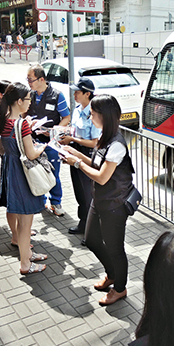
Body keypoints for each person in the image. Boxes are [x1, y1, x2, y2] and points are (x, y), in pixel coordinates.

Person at [62, 94, 135, 306]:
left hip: (115, 204)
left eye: (92, 115)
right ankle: (111, 274)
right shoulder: (104, 137)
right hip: (101, 199)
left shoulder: (117, 144)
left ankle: (119, 288)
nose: (90, 118)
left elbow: (102, 176)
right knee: (92, 239)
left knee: (115, 248)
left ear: (104, 116)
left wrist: (76, 163)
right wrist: (76, 153)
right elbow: (96, 164)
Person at [0, 82, 48, 275]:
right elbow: (32, 154)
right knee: (26, 224)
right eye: (28, 99)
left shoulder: (4, 120)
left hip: (10, 172)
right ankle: (25, 263)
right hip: (23, 176)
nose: (30, 102)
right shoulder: (22, 124)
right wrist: (42, 147)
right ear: (19, 101)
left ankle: (27, 255)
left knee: (21, 221)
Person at [26, 64, 70, 216]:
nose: (28, 83)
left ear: (41, 79)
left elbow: (66, 117)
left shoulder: (57, 95)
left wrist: (54, 130)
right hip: (32, 141)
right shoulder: (29, 95)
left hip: (51, 142)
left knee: (53, 173)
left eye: (30, 80)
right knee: (35, 173)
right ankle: (40, 201)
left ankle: (56, 202)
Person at [59, 78, 101, 240]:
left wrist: (73, 140)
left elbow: (95, 142)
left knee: (88, 194)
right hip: (74, 152)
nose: (74, 94)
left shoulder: (94, 113)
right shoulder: (77, 110)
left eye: (78, 92)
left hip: (88, 155)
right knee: (79, 192)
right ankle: (83, 223)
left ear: (87, 94)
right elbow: (74, 131)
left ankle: (92, 231)